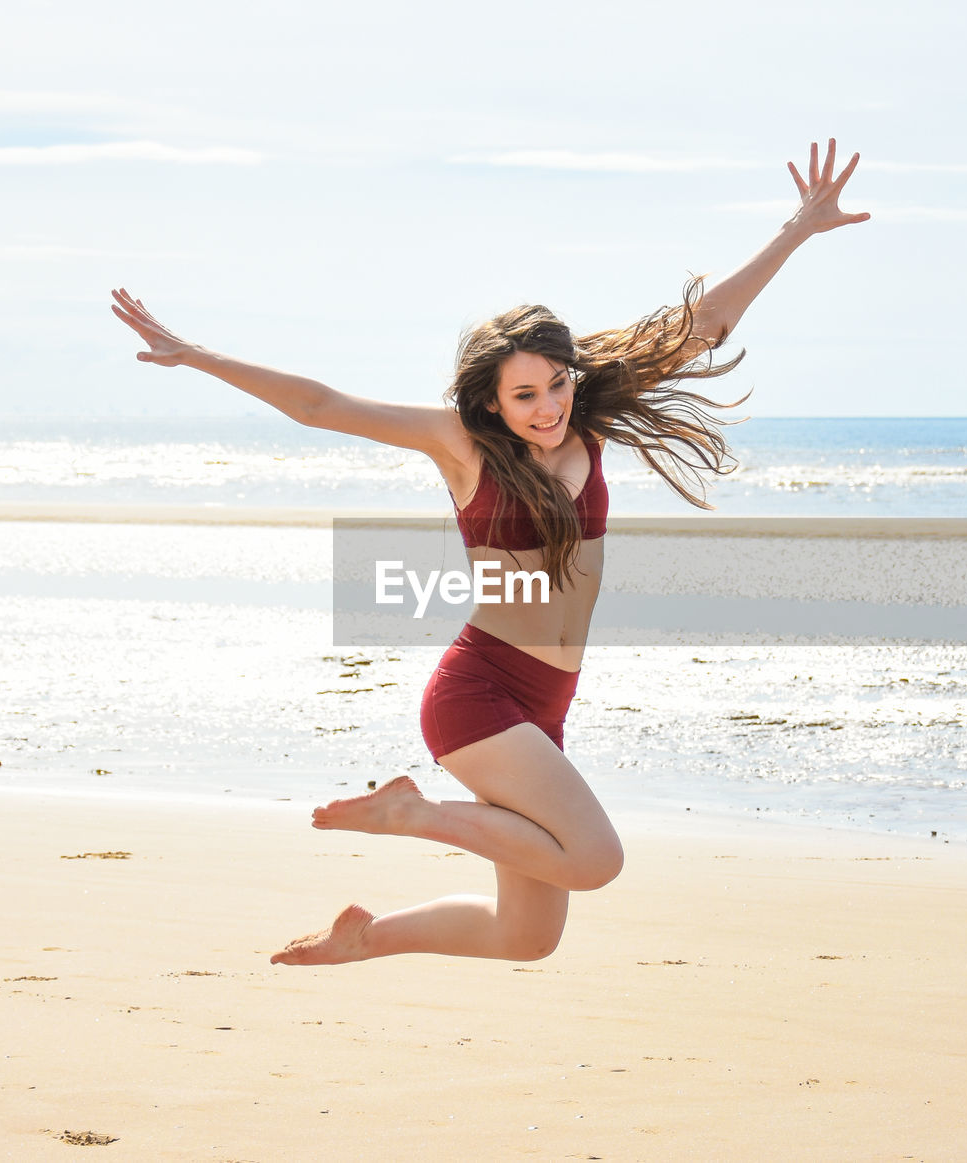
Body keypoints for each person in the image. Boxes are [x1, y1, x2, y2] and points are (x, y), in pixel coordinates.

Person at [110, 138, 869, 966]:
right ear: (491, 399)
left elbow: (703, 326)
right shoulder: (462, 445)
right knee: (597, 859)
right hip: (480, 694)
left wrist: (798, 228)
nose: (547, 407)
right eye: (524, 395)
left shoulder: (589, 417)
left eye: (557, 384)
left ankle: (366, 937)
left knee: (527, 936)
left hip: (547, 701)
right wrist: (196, 355)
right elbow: (321, 404)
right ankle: (415, 815)